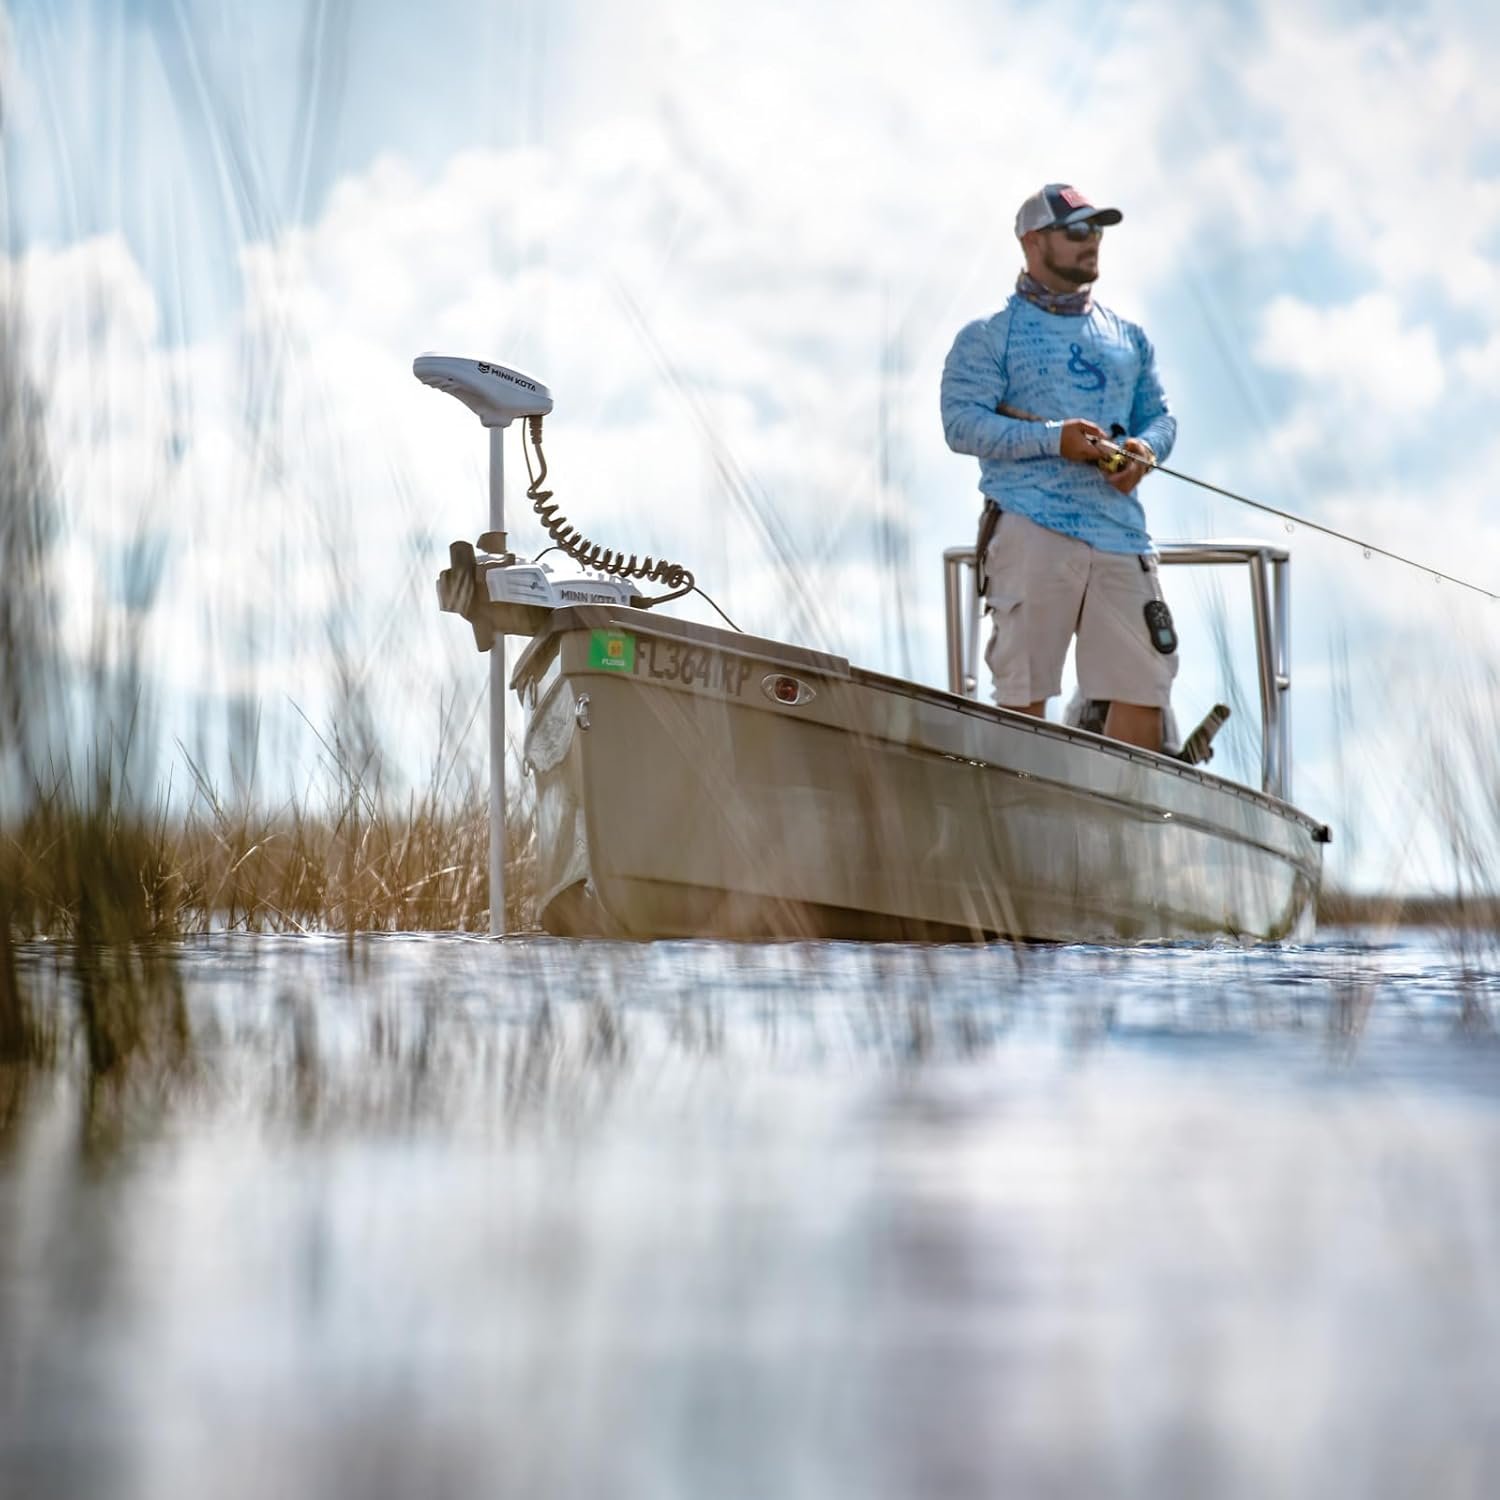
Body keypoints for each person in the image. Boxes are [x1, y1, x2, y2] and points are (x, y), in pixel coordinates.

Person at [940, 183, 1178, 752]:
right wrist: (1055, 440)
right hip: (1029, 529)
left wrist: (1145, 452)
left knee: (1144, 690)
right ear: (1031, 241)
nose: (1090, 241)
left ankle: (1123, 810)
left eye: (1096, 229)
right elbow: (961, 424)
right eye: (1075, 230)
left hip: (1121, 537)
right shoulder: (988, 336)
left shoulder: (1129, 337)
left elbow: (1160, 418)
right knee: (1023, 698)